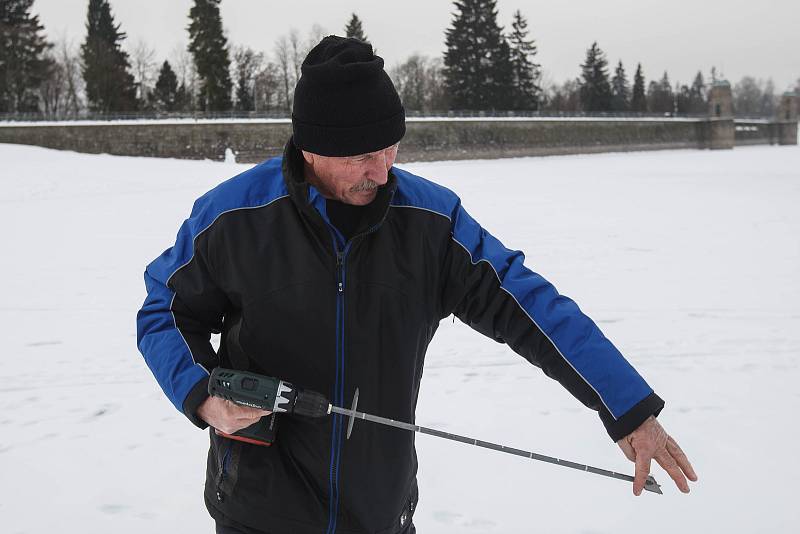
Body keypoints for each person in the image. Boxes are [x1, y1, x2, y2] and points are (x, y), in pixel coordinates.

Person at [136, 36, 697, 534]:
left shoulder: (430, 223)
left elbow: (532, 306)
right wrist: (203, 394)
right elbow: (163, 309)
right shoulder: (234, 217)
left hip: (380, 512)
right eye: (360, 155)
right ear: (310, 149)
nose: (381, 172)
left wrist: (627, 408)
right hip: (257, 510)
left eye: (390, 149)